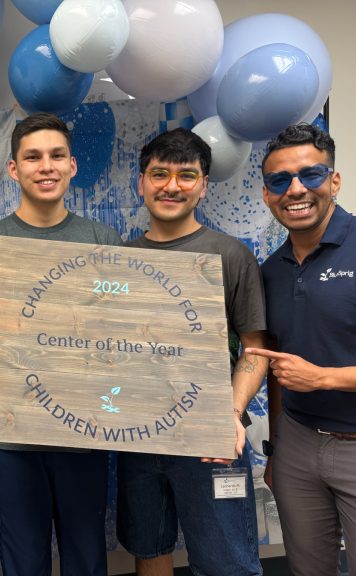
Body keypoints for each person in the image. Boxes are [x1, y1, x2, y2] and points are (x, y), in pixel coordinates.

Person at [0, 112, 121, 575]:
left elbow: (124, 331)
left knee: (87, 561)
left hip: (86, 432)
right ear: (13, 169)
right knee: (24, 563)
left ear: (72, 165)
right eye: (32, 157)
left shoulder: (103, 241)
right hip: (17, 439)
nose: (46, 166)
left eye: (56, 155)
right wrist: (40, 328)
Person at [246, 123, 356, 574]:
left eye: (310, 175)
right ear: (267, 194)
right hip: (297, 445)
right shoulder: (271, 270)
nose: (295, 190)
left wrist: (324, 377)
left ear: (334, 181)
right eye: (280, 180)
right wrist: (277, 449)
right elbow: (277, 367)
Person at [116, 129, 267, 576]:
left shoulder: (230, 255)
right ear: (141, 182)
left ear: (203, 186)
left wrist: (230, 412)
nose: (172, 186)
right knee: (149, 548)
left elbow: (256, 349)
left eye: (186, 175)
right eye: (159, 174)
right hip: (138, 436)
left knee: (226, 561)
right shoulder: (116, 260)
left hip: (210, 436)